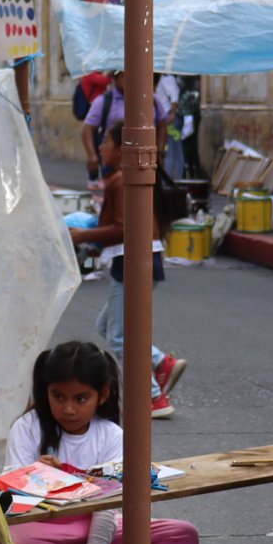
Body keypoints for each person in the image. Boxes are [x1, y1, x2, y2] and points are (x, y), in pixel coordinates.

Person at [0, 342, 200, 544]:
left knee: (183, 536)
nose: (68, 409)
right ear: (46, 391)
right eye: (58, 397)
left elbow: (107, 508)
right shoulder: (27, 427)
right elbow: (10, 497)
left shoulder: (112, 436)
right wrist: (36, 475)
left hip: (99, 524)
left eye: (81, 399)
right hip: (43, 527)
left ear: (102, 394)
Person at [74, 124, 189, 417]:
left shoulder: (121, 180)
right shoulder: (125, 178)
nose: (101, 147)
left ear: (121, 149)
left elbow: (124, 228)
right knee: (107, 326)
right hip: (139, 260)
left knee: (118, 336)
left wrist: (83, 235)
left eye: (106, 142)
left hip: (132, 263)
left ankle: (153, 397)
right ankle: (160, 362)